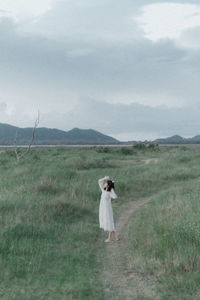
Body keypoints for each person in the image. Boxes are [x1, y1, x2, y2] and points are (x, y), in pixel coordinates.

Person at [98, 176, 119, 242]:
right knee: (106, 221)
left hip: (107, 208)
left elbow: (115, 197)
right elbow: (99, 181)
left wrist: (112, 189)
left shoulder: (109, 193)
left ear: (108, 185)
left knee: (109, 221)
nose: (104, 184)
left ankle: (110, 238)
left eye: (106, 183)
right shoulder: (103, 190)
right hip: (102, 208)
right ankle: (116, 234)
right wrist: (104, 178)